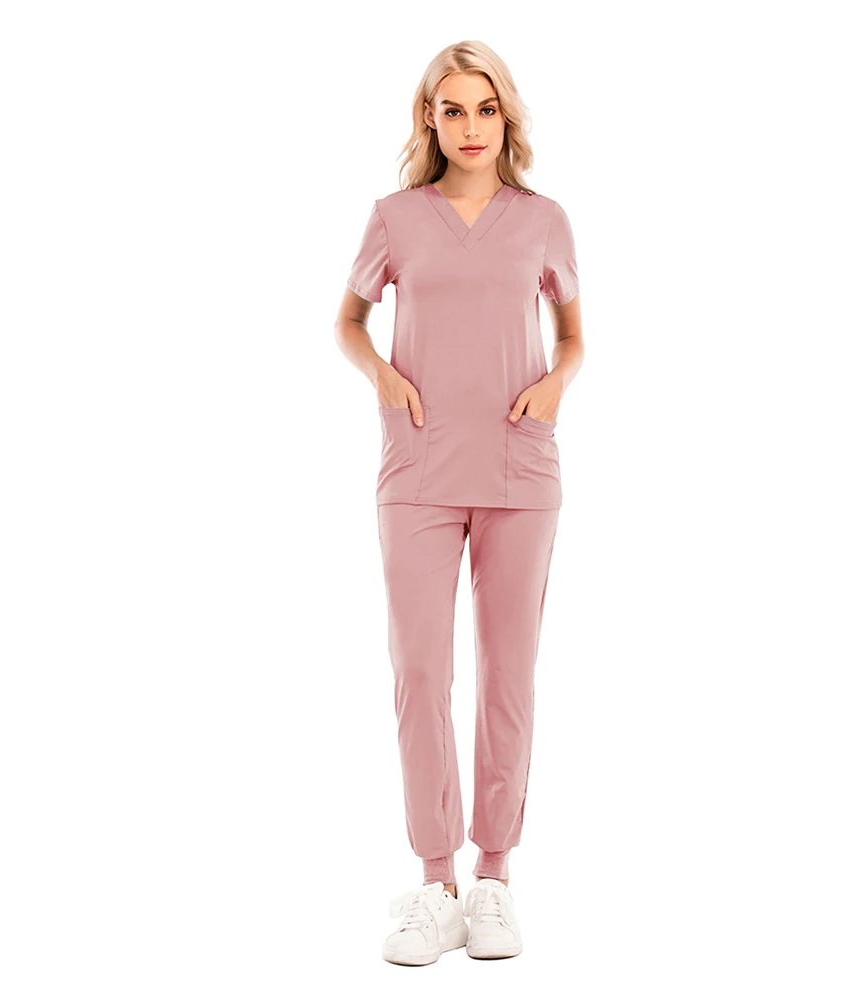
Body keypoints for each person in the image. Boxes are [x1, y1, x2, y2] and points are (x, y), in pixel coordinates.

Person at [334, 40, 584, 966]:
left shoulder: (544, 220)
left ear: (504, 116)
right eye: (452, 109)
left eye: (485, 108)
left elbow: (575, 336)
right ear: (429, 119)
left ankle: (494, 879)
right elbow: (348, 320)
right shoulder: (395, 218)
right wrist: (383, 378)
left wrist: (557, 381)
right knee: (419, 673)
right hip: (419, 467)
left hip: (520, 467)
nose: (471, 126)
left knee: (507, 675)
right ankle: (435, 882)